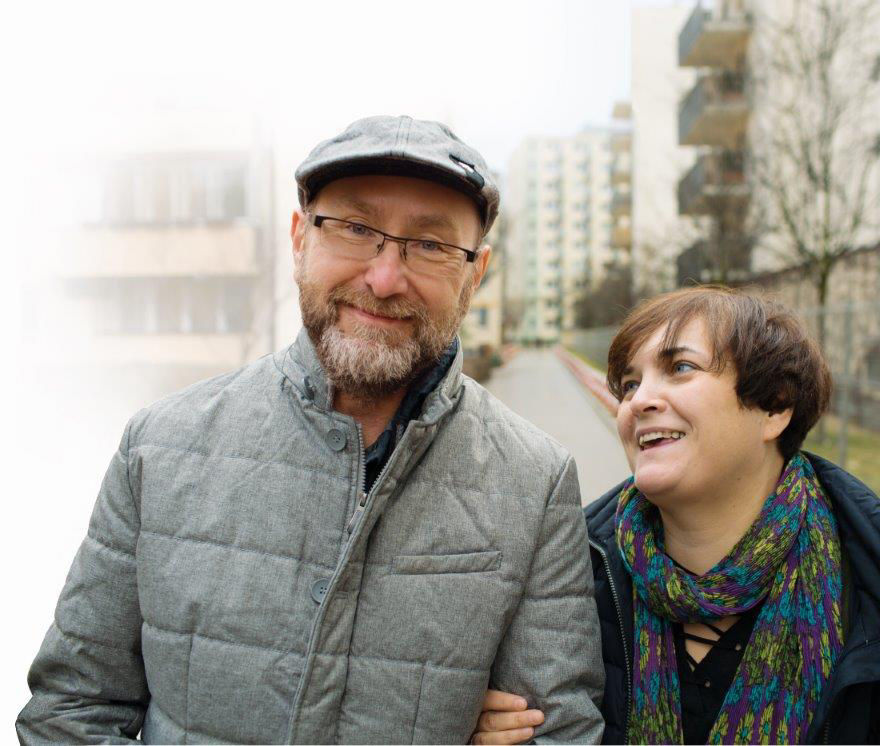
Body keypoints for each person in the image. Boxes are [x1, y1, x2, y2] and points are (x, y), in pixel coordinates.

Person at [17, 115, 604, 744]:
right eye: (355, 229)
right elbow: (71, 712)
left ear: (475, 273)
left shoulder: (535, 481)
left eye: (430, 245)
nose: (384, 278)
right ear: (300, 238)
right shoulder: (159, 446)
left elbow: (560, 731)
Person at [472, 287, 880, 744]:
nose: (637, 402)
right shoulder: (564, 581)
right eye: (630, 385)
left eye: (680, 368)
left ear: (774, 406)